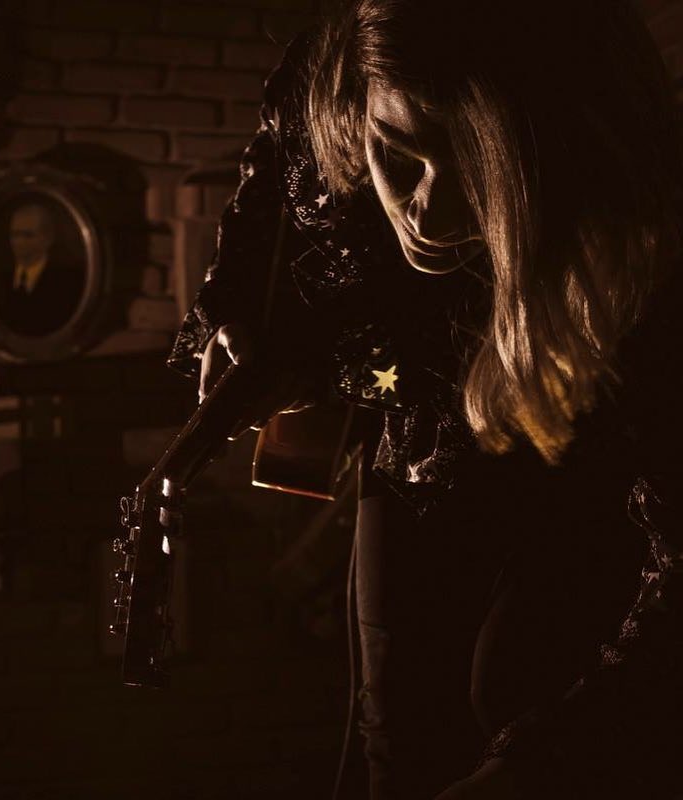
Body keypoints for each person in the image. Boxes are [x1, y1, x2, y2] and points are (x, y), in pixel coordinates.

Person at [168, 1, 683, 798]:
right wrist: (246, 334)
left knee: (515, 686)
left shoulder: (639, 237)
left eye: (477, 170)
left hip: (589, 455)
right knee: (398, 721)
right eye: (398, 154)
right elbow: (257, 239)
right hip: (416, 440)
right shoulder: (318, 91)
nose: (429, 212)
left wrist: (542, 766)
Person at [0, 203, 85, 337]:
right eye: (14, 235)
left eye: (27, 235)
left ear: (48, 239)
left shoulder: (68, 283)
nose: (19, 242)